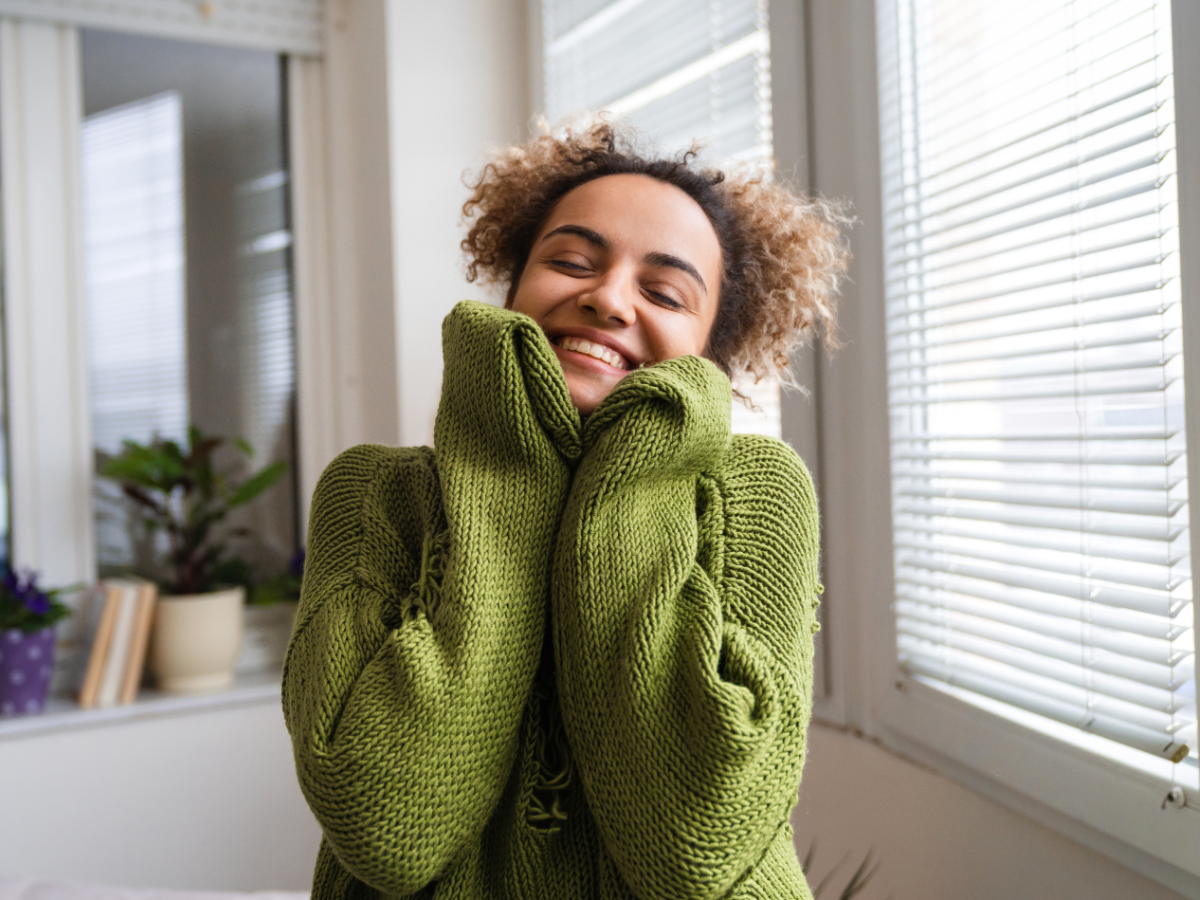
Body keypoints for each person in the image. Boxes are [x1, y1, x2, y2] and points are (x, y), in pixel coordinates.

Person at [282, 120, 848, 900]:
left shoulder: (763, 491)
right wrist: (510, 466)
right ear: (513, 289)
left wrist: (634, 472)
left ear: (711, 353)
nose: (608, 299)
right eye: (572, 262)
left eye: (665, 292)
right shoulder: (370, 494)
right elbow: (385, 825)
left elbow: (694, 846)